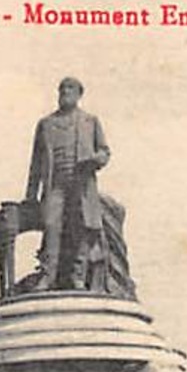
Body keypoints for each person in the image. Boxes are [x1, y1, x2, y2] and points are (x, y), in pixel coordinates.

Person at [26, 77, 110, 291]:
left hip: (81, 185)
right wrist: (31, 195)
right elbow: (36, 162)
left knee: (81, 227)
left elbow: (104, 151)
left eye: (70, 88)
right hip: (55, 184)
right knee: (52, 226)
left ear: (79, 94)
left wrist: (96, 159)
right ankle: (48, 275)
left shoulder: (90, 121)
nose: (65, 92)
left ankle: (78, 275)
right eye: (62, 88)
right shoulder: (46, 124)